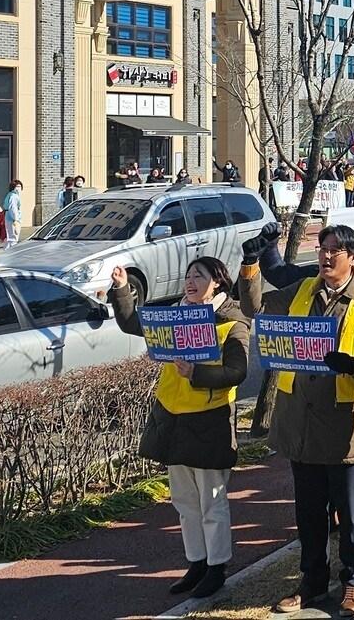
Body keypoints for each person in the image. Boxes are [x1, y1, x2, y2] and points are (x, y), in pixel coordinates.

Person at [237, 224, 354, 619]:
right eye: (323, 249)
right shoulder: (304, 289)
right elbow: (255, 307)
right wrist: (250, 264)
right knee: (309, 512)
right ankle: (312, 582)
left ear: (353, 259)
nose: (325, 257)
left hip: (345, 424)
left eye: (335, 251)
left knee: (353, 514)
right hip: (302, 421)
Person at [111, 257, 249, 599]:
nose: (190, 281)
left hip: (209, 419)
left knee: (211, 502)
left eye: (199, 276)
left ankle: (217, 566)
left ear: (217, 283)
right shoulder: (175, 314)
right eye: (188, 275)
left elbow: (237, 371)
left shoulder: (231, 322)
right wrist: (121, 288)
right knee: (184, 502)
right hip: (172, 416)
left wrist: (197, 374)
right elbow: (132, 322)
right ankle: (197, 563)